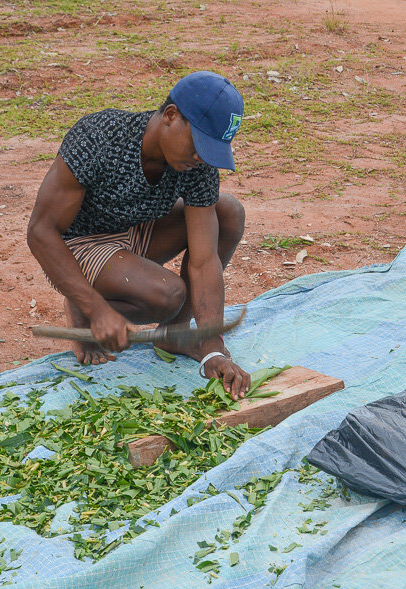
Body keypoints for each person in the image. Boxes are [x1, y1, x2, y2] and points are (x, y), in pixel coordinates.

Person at [27, 71, 251, 399]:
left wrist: (212, 347)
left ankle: (174, 335)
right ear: (171, 116)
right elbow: (40, 232)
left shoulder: (198, 167)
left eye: (210, 150)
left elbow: (204, 260)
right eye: (199, 145)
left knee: (228, 213)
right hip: (81, 242)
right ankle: (82, 311)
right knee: (168, 295)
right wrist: (94, 308)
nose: (201, 158)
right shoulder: (100, 137)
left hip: (136, 231)